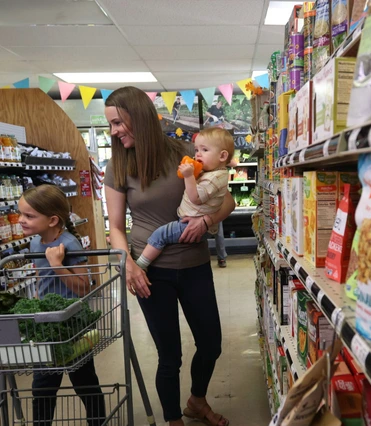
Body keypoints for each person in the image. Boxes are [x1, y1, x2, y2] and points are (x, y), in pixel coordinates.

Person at [103, 86, 234, 426]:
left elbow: (228, 200)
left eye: (118, 123)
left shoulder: (187, 153)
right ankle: (174, 420)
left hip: (194, 265)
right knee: (169, 356)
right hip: (150, 273)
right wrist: (129, 265)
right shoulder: (117, 166)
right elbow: (116, 227)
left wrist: (208, 219)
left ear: (140, 117)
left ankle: (197, 400)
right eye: (111, 126)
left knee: (211, 344)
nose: (114, 132)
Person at [18, 185, 106, 426]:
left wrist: (58, 264)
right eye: (21, 214)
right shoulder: (36, 244)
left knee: (84, 381)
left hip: (74, 325)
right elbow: (42, 281)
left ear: (52, 220)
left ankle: (98, 422)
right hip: (47, 325)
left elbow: (84, 288)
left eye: (29, 216)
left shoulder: (69, 245)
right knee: (43, 386)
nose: (21, 220)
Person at [135, 127, 234, 270]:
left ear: (222, 156)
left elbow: (195, 198)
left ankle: (141, 264)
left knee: (160, 235)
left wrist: (189, 176)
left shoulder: (215, 178)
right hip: (189, 221)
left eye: (204, 150)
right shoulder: (211, 172)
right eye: (196, 150)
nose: (198, 154)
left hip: (189, 225)